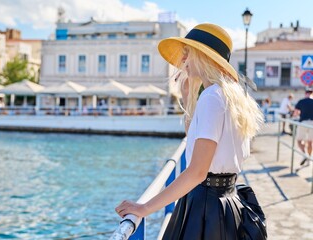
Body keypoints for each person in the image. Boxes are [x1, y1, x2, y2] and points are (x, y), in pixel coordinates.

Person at [115, 23, 265, 239]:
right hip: (226, 203)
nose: (182, 61)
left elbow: (197, 171)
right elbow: (196, 141)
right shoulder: (231, 96)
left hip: (205, 208)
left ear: (203, 57)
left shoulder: (212, 97)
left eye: (187, 54)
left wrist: (144, 208)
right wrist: (188, 95)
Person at [294, 88, 313, 166]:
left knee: (299, 140)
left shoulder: (301, 101)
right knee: (310, 142)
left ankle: (304, 154)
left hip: (303, 122)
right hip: (312, 123)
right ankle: (309, 159)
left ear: (305, 93)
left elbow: (296, 113)